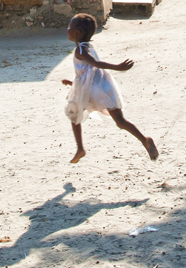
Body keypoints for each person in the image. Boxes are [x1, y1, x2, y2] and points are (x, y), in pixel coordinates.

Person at [61, 13, 158, 164]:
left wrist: (117, 67)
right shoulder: (88, 47)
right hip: (102, 87)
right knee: (120, 121)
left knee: (74, 115)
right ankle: (145, 139)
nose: (67, 30)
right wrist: (72, 82)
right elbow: (86, 71)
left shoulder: (80, 50)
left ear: (77, 33)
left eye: (69, 28)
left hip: (90, 90)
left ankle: (80, 148)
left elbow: (94, 64)